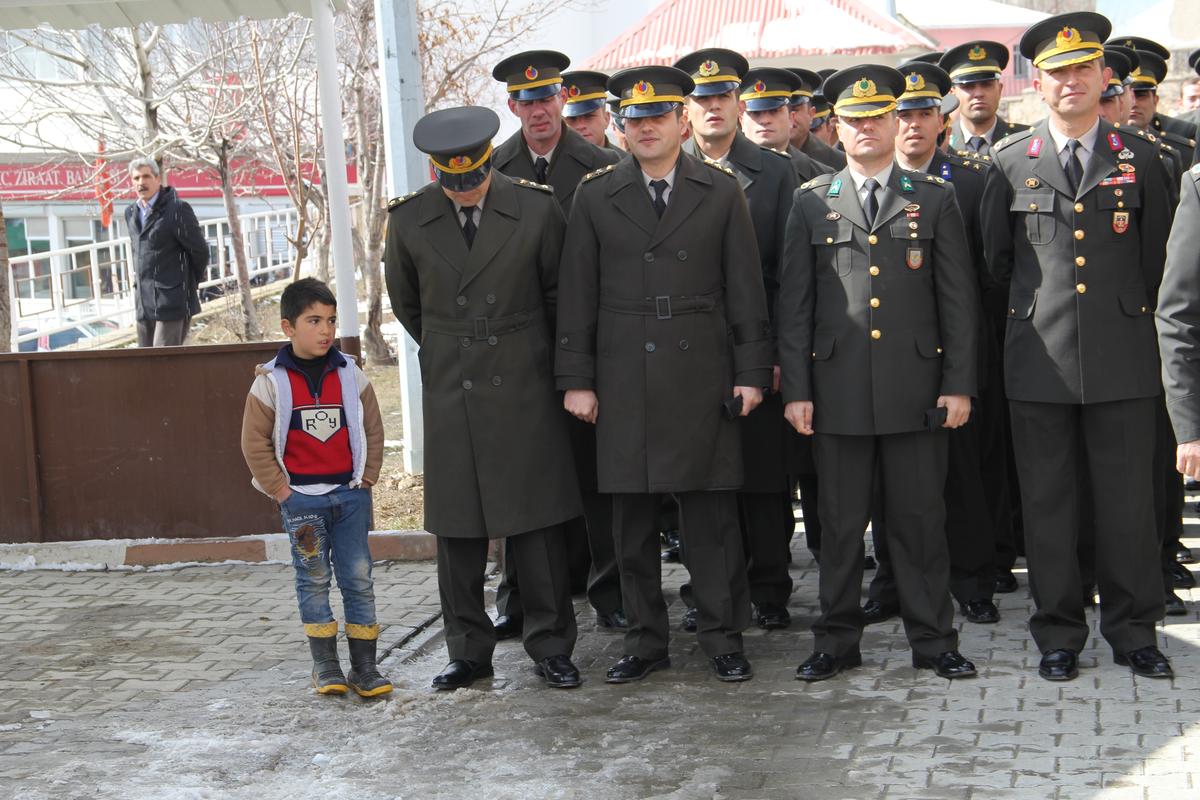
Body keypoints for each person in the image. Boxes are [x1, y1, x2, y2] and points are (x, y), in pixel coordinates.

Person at [556, 65, 772, 684]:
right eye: (635, 119)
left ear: (683, 122)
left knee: (710, 520)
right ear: (621, 128)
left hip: (701, 370)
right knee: (630, 525)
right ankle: (645, 639)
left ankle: (722, 636)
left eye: (658, 117)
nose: (646, 128)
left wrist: (752, 370)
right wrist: (578, 379)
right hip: (623, 374)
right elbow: (577, 294)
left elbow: (745, 290)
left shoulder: (721, 189)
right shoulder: (595, 195)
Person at [979, 12, 1174, 681]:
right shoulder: (1008, 162)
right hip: (1039, 363)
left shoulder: (1143, 159)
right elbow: (996, 267)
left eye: (1081, 69)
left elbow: (1159, 268)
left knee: (1128, 504)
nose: (1070, 82)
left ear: (1102, 77)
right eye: (1057, 73)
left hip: (1124, 359)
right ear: (1039, 84)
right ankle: (1058, 633)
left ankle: (1133, 629)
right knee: (1049, 505)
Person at [780, 65, 981, 682]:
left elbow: (958, 301)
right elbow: (795, 306)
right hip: (837, 393)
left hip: (916, 389)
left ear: (898, 122)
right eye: (853, 120)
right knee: (838, 529)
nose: (866, 128)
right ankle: (836, 641)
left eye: (877, 117)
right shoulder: (812, 201)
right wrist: (797, 391)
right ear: (835, 128)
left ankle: (933, 638)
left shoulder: (934, 198)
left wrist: (958, 383)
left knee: (921, 522)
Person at [384, 106, 583, 690]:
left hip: (524, 379)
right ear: (436, 172)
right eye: (454, 181)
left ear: (490, 163)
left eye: (474, 178)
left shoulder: (537, 208)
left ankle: (551, 646)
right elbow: (408, 304)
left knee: (538, 524)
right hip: (454, 386)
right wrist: (456, 347)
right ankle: (468, 652)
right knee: (459, 529)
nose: (466, 192)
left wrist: (534, 357)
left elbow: (558, 294)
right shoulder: (409, 220)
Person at [490, 50, 624, 640]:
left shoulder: (604, 165)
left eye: (547, 97)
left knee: (600, 479)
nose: (538, 109)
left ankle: (611, 592)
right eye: (526, 100)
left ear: (563, 99)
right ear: (512, 107)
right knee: (522, 480)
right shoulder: (492, 168)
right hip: (520, 354)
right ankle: (516, 597)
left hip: (592, 349)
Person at [863, 60, 1002, 627]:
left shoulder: (971, 179)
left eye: (924, 113)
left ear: (942, 120)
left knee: (963, 470)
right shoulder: (867, 182)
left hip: (956, 351)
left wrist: (965, 364)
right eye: (905, 114)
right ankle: (891, 579)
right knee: (887, 480)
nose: (914, 124)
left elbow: (990, 274)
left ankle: (972, 577)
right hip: (890, 358)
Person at [674, 49, 800, 631]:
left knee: (762, 473)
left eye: (721, 97)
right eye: (701, 100)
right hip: (692, 350)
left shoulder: (777, 172)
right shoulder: (668, 169)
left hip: (756, 343)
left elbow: (790, 275)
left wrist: (772, 352)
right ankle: (715, 586)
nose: (712, 108)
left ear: (739, 102)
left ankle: (770, 587)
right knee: (704, 473)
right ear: (687, 111)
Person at [240, 278, 391, 698]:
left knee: (358, 577)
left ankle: (365, 668)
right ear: (288, 327)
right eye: (313, 320)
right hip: (302, 501)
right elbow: (253, 442)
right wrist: (282, 491)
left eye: (330, 320)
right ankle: (326, 666)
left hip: (350, 496)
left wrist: (369, 477)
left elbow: (373, 428)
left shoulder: (350, 375)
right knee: (313, 577)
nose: (325, 330)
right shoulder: (270, 382)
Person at [125, 157, 209, 347]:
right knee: (144, 367)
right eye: (136, 178)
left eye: (146, 176)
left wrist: (186, 285)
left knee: (165, 365)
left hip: (172, 303)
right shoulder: (131, 213)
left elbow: (200, 252)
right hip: (144, 303)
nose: (141, 182)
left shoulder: (177, 210)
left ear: (157, 178)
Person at [939, 41, 1030, 157]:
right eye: (968, 86)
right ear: (953, 93)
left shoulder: (1025, 140)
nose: (979, 93)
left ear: (1000, 89)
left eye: (986, 84)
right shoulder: (940, 143)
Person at [1121, 46, 1197, 168]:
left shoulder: (1182, 151)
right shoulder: (1094, 148)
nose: (1134, 103)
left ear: (1155, 101)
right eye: (1127, 95)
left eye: (1141, 95)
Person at [562, 70, 617, 149]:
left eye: (588, 116)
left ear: (606, 119)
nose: (580, 126)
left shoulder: (624, 160)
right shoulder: (550, 160)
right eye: (572, 118)